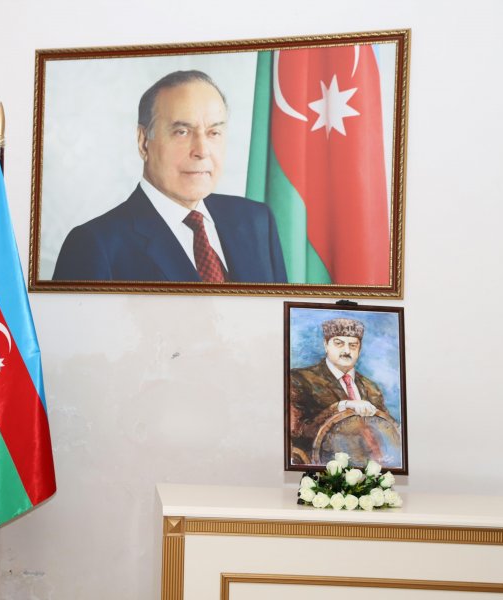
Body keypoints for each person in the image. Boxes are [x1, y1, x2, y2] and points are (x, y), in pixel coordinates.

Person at [52, 70, 288, 283]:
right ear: (144, 142)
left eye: (214, 132)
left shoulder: (257, 221)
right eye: (182, 132)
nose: (202, 150)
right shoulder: (95, 245)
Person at [289, 318, 390, 465]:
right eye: (339, 343)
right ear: (326, 345)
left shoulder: (371, 388)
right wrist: (341, 407)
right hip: (320, 467)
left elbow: (386, 431)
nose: (347, 351)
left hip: (369, 467)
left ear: (359, 349)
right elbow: (295, 431)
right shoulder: (299, 379)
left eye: (353, 345)